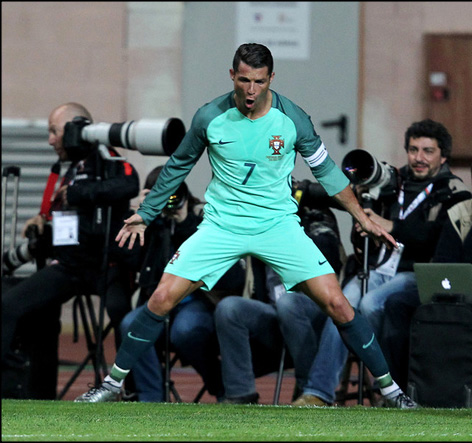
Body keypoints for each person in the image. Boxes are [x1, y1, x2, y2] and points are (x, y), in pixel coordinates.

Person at [75, 43, 417, 408]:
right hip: (222, 227)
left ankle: (391, 391)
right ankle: (111, 385)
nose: (250, 90)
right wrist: (146, 212)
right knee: (160, 299)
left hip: (278, 227)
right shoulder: (210, 116)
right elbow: (178, 165)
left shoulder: (293, 119)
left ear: (271, 78)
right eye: (243, 80)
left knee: (339, 305)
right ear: (232, 76)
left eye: (258, 81)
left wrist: (361, 215)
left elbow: (327, 172)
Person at [292, 118, 472, 407]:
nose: (419, 158)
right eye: (413, 150)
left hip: (414, 274)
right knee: (339, 302)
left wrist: (391, 225)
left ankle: (386, 390)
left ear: (444, 156)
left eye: (428, 151)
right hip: (374, 270)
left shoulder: (453, 190)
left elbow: (438, 236)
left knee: (370, 304)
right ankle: (319, 392)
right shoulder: (391, 180)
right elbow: (355, 214)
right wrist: (365, 221)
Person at [1, 103, 140, 395]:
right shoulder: (69, 170)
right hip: (70, 266)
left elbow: (129, 184)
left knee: (123, 317)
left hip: (109, 266)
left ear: (76, 128)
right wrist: (43, 223)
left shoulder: (106, 155)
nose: (50, 140)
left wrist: (79, 193)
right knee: (9, 304)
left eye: (55, 131)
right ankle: (25, 391)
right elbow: (71, 223)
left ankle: (134, 393)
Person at [119, 168, 244, 402]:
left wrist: (185, 222)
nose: (169, 201)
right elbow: (130, 263)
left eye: (172, 194)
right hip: (158, 300)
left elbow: (230, 273)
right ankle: (150, 398)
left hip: (196, 301)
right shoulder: (148, 223)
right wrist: (141, 217)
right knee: (130, 324)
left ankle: (220, 386)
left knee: (186, 331)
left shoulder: (202, 217)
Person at [215, 201, 343, 404]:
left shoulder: (314, 220)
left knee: (289, 302)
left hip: (314, 311)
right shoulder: (256, 230)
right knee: (229, 307)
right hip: (273, 312)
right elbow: (230, 279)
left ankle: (309, 388)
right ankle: (240, 393)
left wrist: (289, 235)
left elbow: (331, 259)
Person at [380, 153, 472, 394]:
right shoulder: (461, 213)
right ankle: (398, 391)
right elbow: (443, 261)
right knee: (396, 303)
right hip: (462, 294)